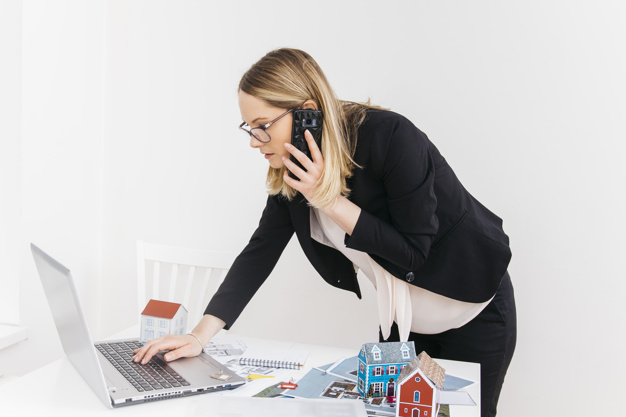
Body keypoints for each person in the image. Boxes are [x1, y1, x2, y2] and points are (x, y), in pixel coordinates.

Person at [133, 48, 516, 417]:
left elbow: (413, 252)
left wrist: (327, 199)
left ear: (307, 115)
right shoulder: (294, 174)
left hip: (474, 309)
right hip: (404, 323)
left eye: (262, 127)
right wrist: (199, 336)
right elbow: (261, 249)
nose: (253, 141)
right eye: (248, 129)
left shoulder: (391, 137)